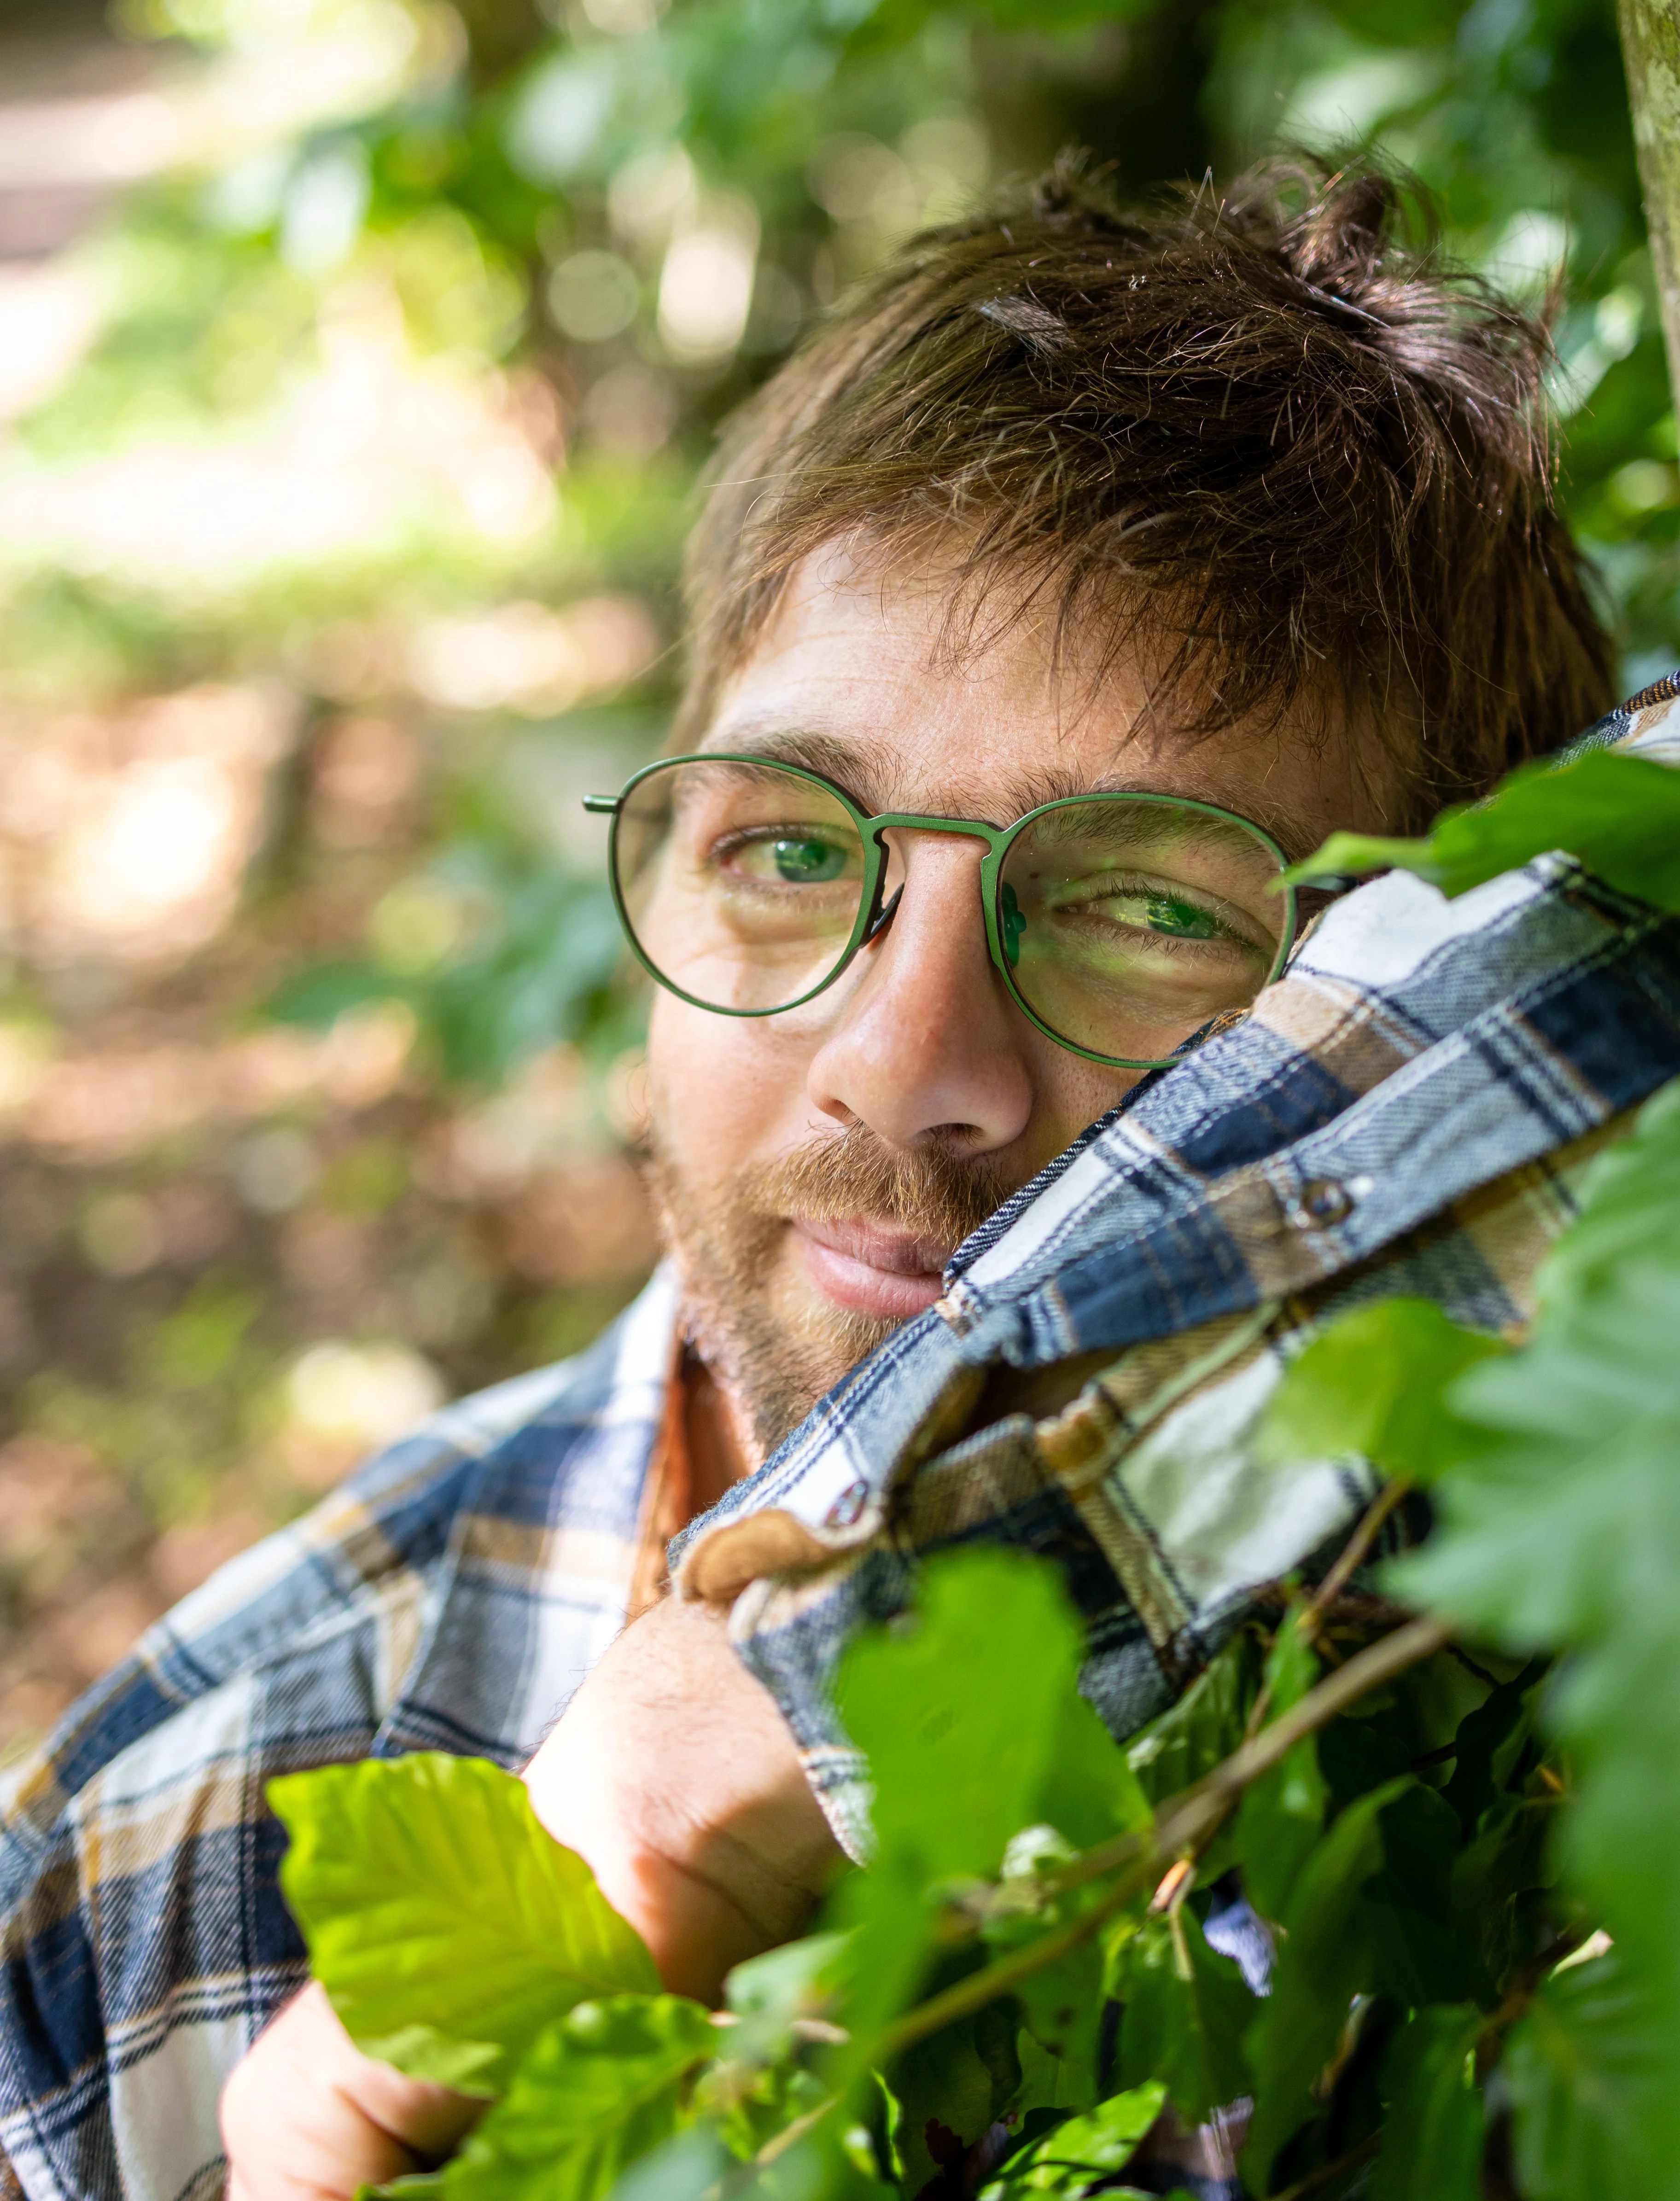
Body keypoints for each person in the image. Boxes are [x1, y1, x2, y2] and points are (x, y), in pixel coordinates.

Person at [2, 152, 1672, 2201]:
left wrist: (842, 1641)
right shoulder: (157, 1873)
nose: (905, 1067)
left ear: (1424, 987)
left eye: (1149, 904)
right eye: (793, 848)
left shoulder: (1589, 1788)